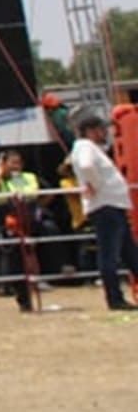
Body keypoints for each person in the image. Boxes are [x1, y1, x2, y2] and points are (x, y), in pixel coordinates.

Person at [65, 108, 138, 311]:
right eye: (100, 129)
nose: (104, 133)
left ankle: (116, 297)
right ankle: (114, 298)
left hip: (112, 206)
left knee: (130, 253)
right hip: (106, 206)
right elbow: (87, 167)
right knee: (110, 254)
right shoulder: (86, 146)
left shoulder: (86, 147)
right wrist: (95, 185)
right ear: (90, 131)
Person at [0, 149, 49, 313]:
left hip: (29, 220)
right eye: (11, 162)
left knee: (35, 251)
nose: (16, 166)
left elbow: (35, 192)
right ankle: (22, 299)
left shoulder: (28, 177)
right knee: (15, 261)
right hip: (8, 223)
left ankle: (37, 282)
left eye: (18, 162)